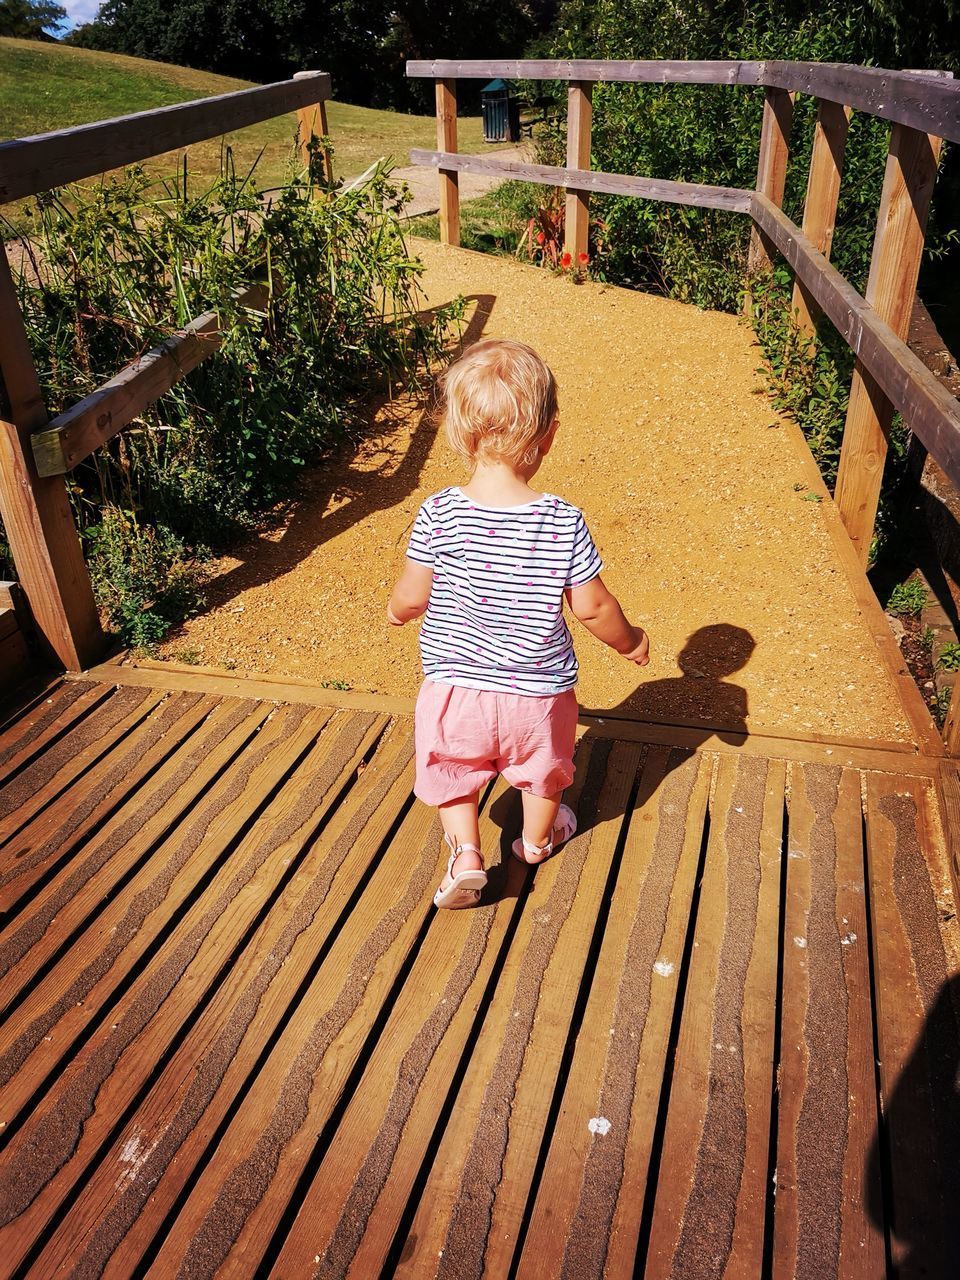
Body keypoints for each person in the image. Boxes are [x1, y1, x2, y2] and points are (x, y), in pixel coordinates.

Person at [387, 338, 649, 909]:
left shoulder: (438, 512)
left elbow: (413, 593)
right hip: (537, 693)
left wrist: (398, 611)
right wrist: (632, 643)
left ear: (458, 433)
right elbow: (593, 607)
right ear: (548, 434)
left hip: (457, 689)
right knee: (542, 773)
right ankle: (535, 840)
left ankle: (466, 854)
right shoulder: (561, 521)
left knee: (453, 770)